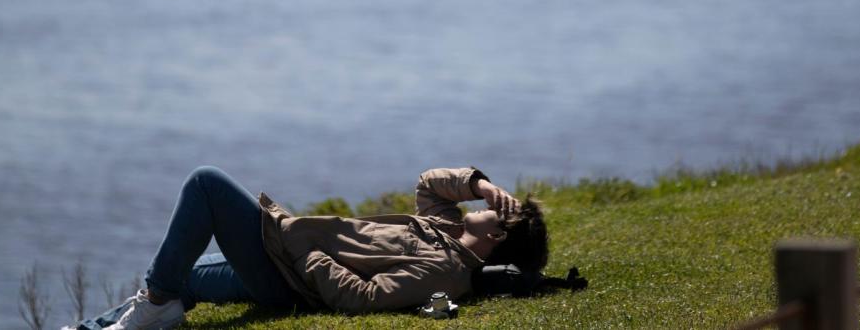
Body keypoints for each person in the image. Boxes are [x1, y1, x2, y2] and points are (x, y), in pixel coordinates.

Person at [101, 165, 548, 329]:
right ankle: (102, 324)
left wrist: (307, 249)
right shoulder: (444, 227)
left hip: (288, 274)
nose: (490, 205)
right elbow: (430, 184)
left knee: (206, 184)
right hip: (285, 256)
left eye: (498, 210)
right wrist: (480, 184)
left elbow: (363, 298)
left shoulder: (445, 270)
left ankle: (157, 301)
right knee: (182, 277)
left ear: (497, 236)